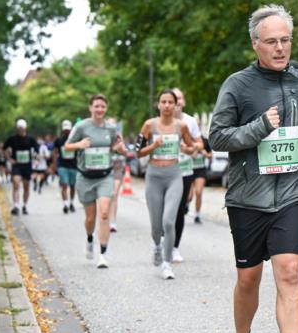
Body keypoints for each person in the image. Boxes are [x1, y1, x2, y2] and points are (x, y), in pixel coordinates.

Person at [208, 4, 298, 333]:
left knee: (289, 273)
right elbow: (217, 137)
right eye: (272, 41)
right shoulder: (238, 84)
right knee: (249, 279)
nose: (281, 48)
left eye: (286, 40)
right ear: (255, 44)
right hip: (247, 198)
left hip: (292, 193)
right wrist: (260, 127)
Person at [136, 90, 198, 279]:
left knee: (169, 222)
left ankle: (166, 263)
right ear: (158, 104)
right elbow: (138, 153)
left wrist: (189, 148)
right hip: (154, 176)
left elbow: (191, 147)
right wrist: (154, 146)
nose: (167, 105)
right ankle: (157, 246)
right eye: (163, 102)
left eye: (171, 102)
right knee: (156, 226)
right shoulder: (149, 125)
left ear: (175, 105)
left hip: (174, 175)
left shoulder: (182, 126)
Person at [63, 95, 129, 268]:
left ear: (106, 108)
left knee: (105, 213)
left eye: (103, 106)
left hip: (105, 176)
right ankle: (89, 238)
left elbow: (120, 148)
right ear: (90, 108)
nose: (99, 109)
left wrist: (120, 149)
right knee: (90, 217)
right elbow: (67, 146)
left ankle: (103, 254)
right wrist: (79, 145)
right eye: (96, 106)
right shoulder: (81, 126)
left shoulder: (111, 128)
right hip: (85, 177)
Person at [171, 87, 203, 262]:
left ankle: (175, 247)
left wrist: (191, 148)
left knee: (179, 210)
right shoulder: (160, 122)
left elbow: (199, 144)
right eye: (173, 98)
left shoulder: (190, 121)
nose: (177, 102)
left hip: (184, 170)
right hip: (164, 171)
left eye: (180, 98)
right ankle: (162, 239)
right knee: (165, 210)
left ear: (183, 102)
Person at [3, 119, 39, 215]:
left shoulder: (30, 139)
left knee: (26, 186)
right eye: (19, 129)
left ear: (25, 128)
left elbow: (36, 151)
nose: (20, 130)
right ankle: (15, 206)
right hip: (17, 165)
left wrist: (35, 158)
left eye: (22, 128)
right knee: (16, 183)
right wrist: (9, 159)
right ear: (17, 129)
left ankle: (25, 205)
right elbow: (4, 149)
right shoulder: (12, 139)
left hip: (27, 165)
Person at [52, 120, 78, 213]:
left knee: (72, 186)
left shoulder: (75, 140)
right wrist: (54, 165)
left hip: (74, 166)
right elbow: (55, 152)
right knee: (64, 184)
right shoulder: (59, 140)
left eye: (68, 130)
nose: (66, 131)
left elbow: (79, 152)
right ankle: (65, 204)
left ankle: (71, 202)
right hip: (62, 166)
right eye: (65, 130)